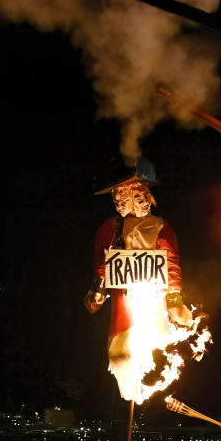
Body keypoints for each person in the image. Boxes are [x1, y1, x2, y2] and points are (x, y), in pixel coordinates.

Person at [83, 156, 192, 398]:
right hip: (124, 299)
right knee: (120, 354)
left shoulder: (161, 227)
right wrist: (98, 288)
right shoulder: (110, 228)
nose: (129, 198)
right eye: (121, 192)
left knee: (147, 346)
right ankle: (133, 393)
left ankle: (141, 391)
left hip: (152, 298)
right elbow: (104, 262)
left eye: (134, 191)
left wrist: (174, 299)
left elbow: (171, 262)